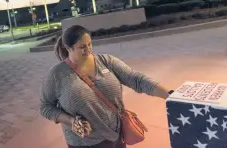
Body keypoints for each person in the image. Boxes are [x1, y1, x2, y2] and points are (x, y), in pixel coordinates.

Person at [40, 25, 172, 148]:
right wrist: (71, 120)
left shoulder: (106, 61)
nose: (88, 50)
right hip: (84, 143)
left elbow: (137, 79)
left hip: (117, 137)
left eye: (90, 44)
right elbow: (45, 107)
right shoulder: (57, 75)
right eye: (82, 47)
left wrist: (169, 94)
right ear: (68, 48)